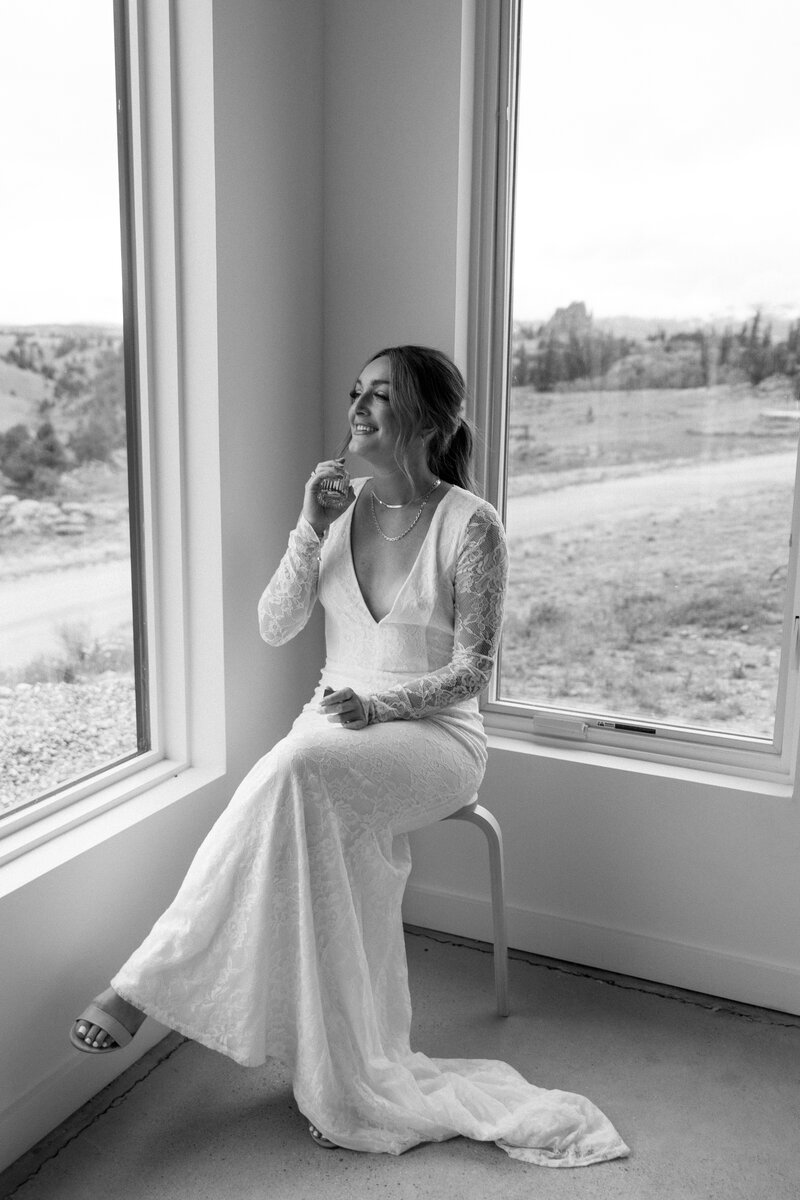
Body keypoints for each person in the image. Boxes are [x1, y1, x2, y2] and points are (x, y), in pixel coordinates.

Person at [70, 345, 629, 1166]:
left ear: (431, 422)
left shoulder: (472, 524)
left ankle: (143, 983)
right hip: (334, 725)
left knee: (296, 771)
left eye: (381, 396)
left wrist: (381, 705)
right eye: (355, 392)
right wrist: (309, 526)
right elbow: (275, 624)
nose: (358, 408)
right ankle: (330, 1047)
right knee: (302, 779)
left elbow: (473, 669)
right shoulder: (339, 508)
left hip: (436, 736)